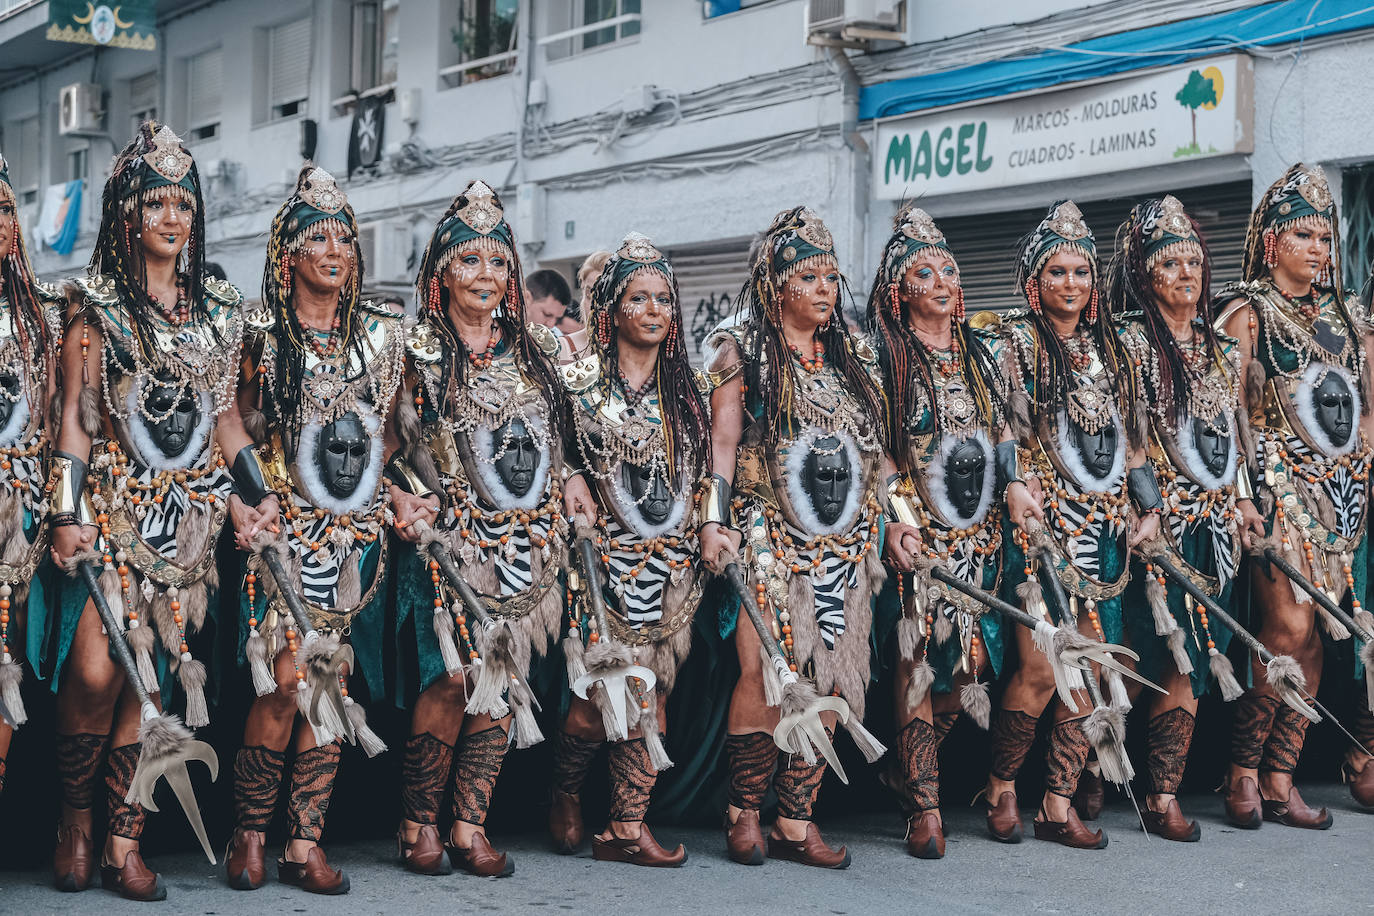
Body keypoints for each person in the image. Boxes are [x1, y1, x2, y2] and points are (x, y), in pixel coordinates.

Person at [48, 123, 243, 900]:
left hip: (187, 524)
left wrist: (256, 500)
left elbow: (228, 423)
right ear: (127, 213)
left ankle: (123, 842)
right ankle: (74, 823)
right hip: (111, 510)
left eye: (183, 205)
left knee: (151, 682)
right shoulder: (94, 306)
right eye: (156, 202)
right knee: (98, 672)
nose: (171, 218)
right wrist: (65, 513)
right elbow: (74, 420)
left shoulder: (218, 310)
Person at [220, 165, 418, 895]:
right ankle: (249, 835)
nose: (334, 250)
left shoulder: (383, 336)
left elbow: (393, 433)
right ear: (288, 252)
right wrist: (250, 496)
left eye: (344, 238)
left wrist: (389, 490)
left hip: (352, 536)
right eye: (318, 238)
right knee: (282, 683)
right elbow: (228, 421)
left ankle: (304, 843)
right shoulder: (260, 336)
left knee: (332, 680)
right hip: (283, 530)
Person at [699, 206, 900, 869]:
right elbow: (722, 443)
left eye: (832, 278)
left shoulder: (853, 356)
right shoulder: (741, 351)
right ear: (776, 285)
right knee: (763, 676)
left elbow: (879, 455)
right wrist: (714, 518)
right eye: (809, 278)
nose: (824, 290)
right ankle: (743, 812)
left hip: (845, 543)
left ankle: (795, 817)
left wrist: (902, 520)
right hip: (767, 538)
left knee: (836, 679)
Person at [392, 179, 577, 878]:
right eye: (470, 260)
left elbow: (563, 441)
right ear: (442, 271)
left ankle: (470, 825)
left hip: (525, 541)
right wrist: (408, 497)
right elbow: (383, 446)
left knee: (503, 673)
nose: (486, 274)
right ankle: (417, 824)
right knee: (453, 678)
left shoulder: (537, 351)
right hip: (450, 543)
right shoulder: (412, 350)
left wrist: (573, 480)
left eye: (498, 262)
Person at [979, 200, 1159, 850]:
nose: (1072, 283)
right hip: (1044, 527)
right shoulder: (1014, 344)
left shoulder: (1115, 347)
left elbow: (1135, 440)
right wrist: (1015, 484)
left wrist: (1149, 507)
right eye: (1057, 272)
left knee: (1093, 662)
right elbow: (1004, 425)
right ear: (1035, 281)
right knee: (1039, 668)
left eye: (1082, 271)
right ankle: (1000, 787)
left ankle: (1057, 804)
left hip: (1105, 531)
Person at [865, 206, 1041, 858]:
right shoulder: (882, 357)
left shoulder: (983, 350)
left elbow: (1006, 430)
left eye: (948, 270)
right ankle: (926, 808)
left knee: (969, 670)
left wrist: (1015, 482)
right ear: (898, 289)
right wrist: (899, 519)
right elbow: (879, 450)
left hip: (982, 536)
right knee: (917, 665)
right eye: (924, 273)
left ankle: (904, 772)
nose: (940, 281)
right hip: (921, 537)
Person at [1215, 164, 1374, 828]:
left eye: (1325, 237)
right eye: (1303, 235)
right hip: (1279, 491)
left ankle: (1281, 778)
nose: (1317, 248)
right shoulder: (1245, 313)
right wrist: (1243, 495)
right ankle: (1241, 775)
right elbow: (1224, 415)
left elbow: (1368, 409)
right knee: (1289, 628)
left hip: (1346, 500)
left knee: (1317, 643)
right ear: (1271, 240)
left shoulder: (1350, 315)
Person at [547, 232, 709, 867]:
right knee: (594, 703)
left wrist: (710, 523)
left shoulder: (689, 390)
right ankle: (563, 794)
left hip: (670, 564)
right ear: (611, 309)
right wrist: (569, 476)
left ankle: (625, 827)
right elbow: (552, 448)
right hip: (601, 563)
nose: (653, 310)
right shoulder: (577, 383)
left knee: (653, 693)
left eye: (663, 298)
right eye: (638, 298)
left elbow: (713, 469)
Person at [1109, 195, 1265, 840]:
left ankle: (1162, 793)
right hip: (1155, 527)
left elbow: (1237, 433)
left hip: (1214, 527)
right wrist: (1146, 507)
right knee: (1140, 656)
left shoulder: (1223, 347)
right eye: (1170, 263)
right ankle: (1087, 773)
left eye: (1194, 262)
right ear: (1145, 274)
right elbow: (1126, 437)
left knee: (1193, 658)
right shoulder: (1125, 342)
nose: (1186, 274)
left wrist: (1245, 499)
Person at [0, 152, 61, 797]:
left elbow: (71, 431)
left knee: (6, 662)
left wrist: (67, 512)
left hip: (22, 521)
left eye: (3, 209)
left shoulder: (43, 316)